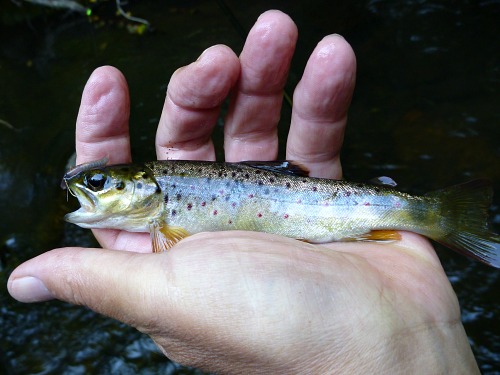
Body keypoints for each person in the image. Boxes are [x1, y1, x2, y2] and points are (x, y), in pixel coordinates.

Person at [8, 10, 479, 374]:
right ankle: (437, 214)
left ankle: (438, 214)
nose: (87, 190)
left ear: (144, 187)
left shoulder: (164, 224)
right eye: (95, 183)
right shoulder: (159, 220)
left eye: (97, 184)